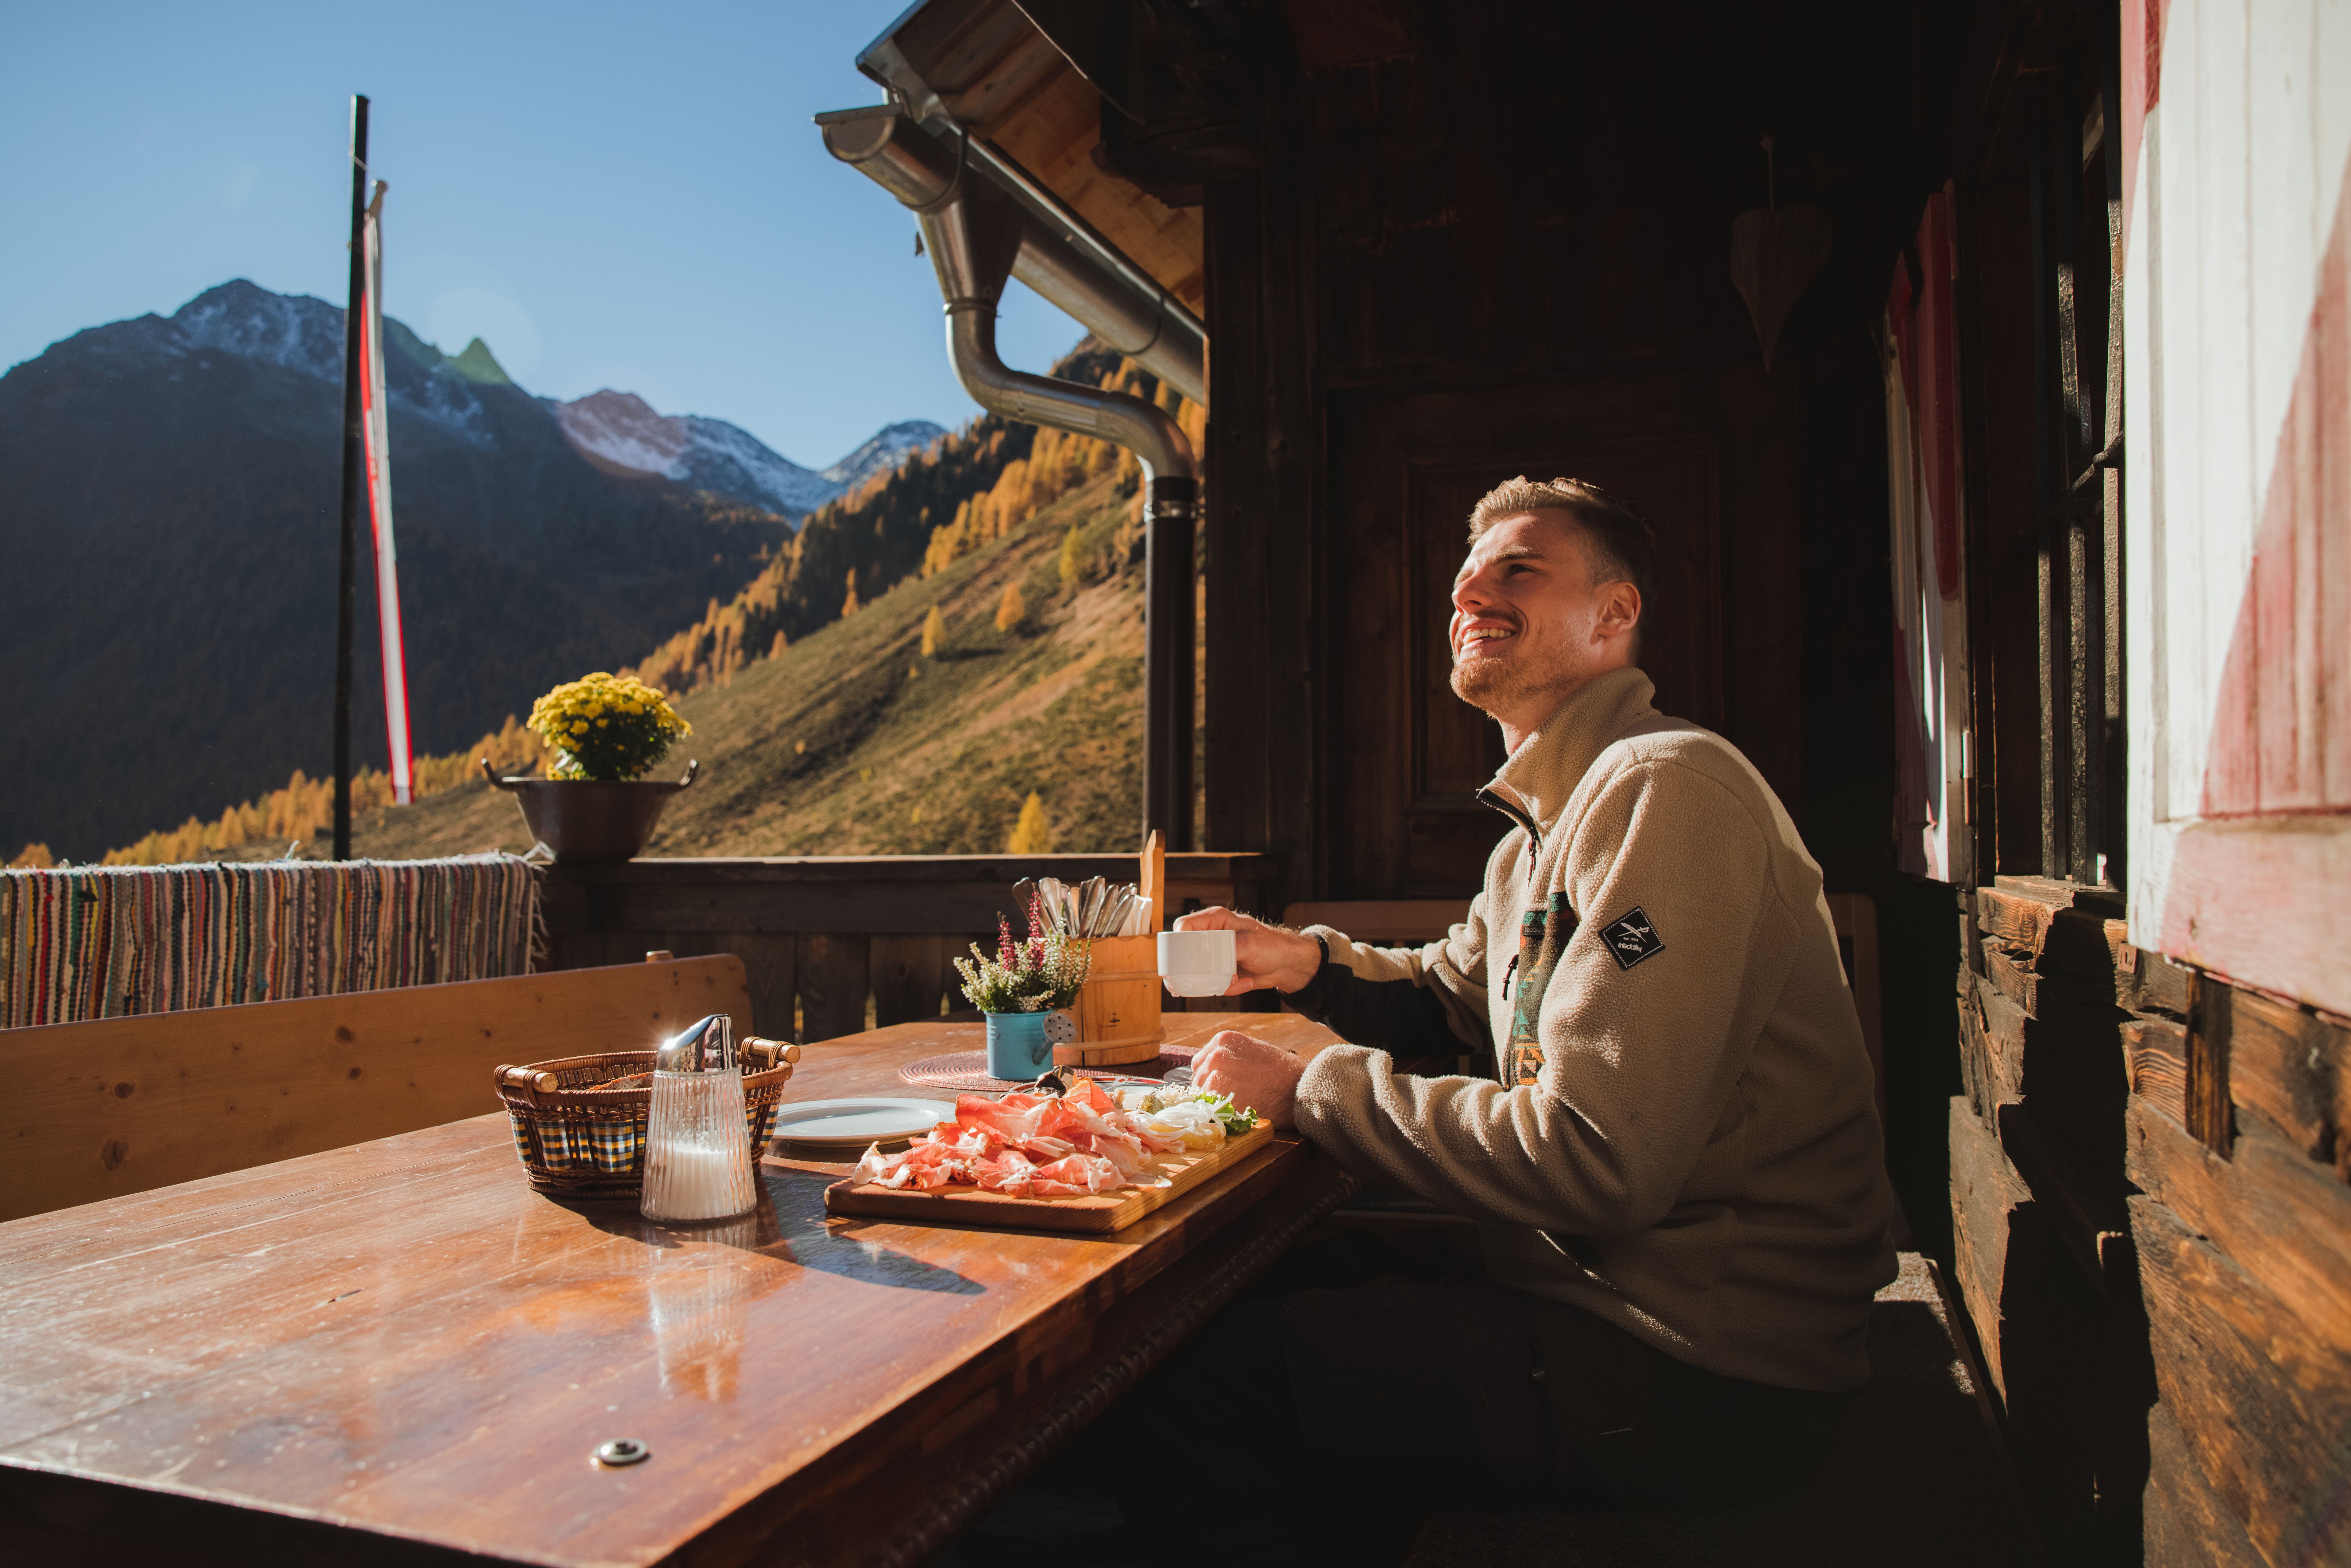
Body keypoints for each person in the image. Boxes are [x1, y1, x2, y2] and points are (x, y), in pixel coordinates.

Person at [1176, 476, 1898, 1519]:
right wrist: (1304, 963)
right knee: (1241, 1295)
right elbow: (1457, 998)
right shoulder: (1546, 826)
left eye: (1518, 569)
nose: (1472, 592)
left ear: (1615, 613)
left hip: (1697, 1369)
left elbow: (1596, 1159)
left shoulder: (1664, 789)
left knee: (1180, 1379)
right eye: (1467, 578)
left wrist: (1311, 1092)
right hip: (1590, 1296)